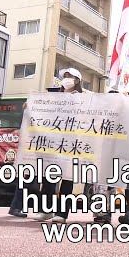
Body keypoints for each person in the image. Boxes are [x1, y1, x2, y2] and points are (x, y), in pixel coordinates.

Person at [32, 67, 84, 223]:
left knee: (67, 179)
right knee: (49, 177)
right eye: (65, 76)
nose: (66, 79)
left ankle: (62, 213)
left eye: (70, 76)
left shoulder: (83, 99)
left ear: (77, 81)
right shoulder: (54, 97)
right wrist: (31, 108)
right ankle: (46, 210)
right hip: (53, 142)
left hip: (72, 142)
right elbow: (42, 113)